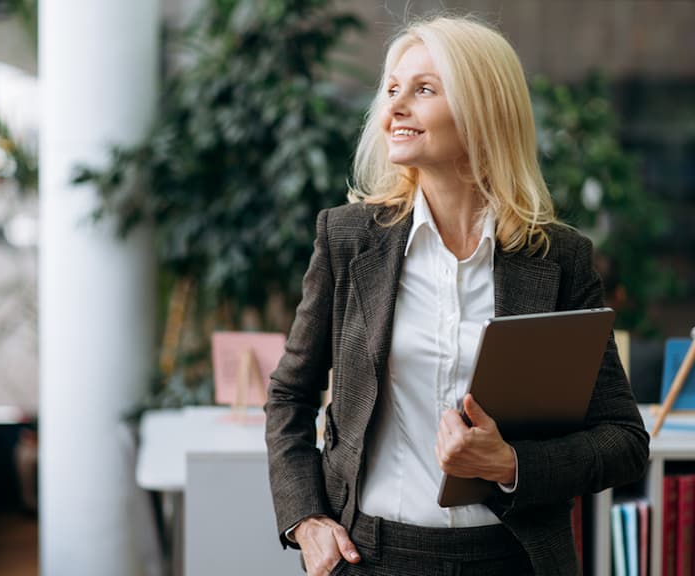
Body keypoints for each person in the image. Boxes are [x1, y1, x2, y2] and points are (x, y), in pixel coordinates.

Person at [264, 14, 649, 576]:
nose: (394, 106)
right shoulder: (346, 240)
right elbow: (288, 397)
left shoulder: (558, 258)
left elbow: (623, 441)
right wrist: (305, 519)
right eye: (392, 89)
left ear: (482, 111)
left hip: (514, 559)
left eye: (423, 90)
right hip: (372, 557)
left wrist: (510, 462)